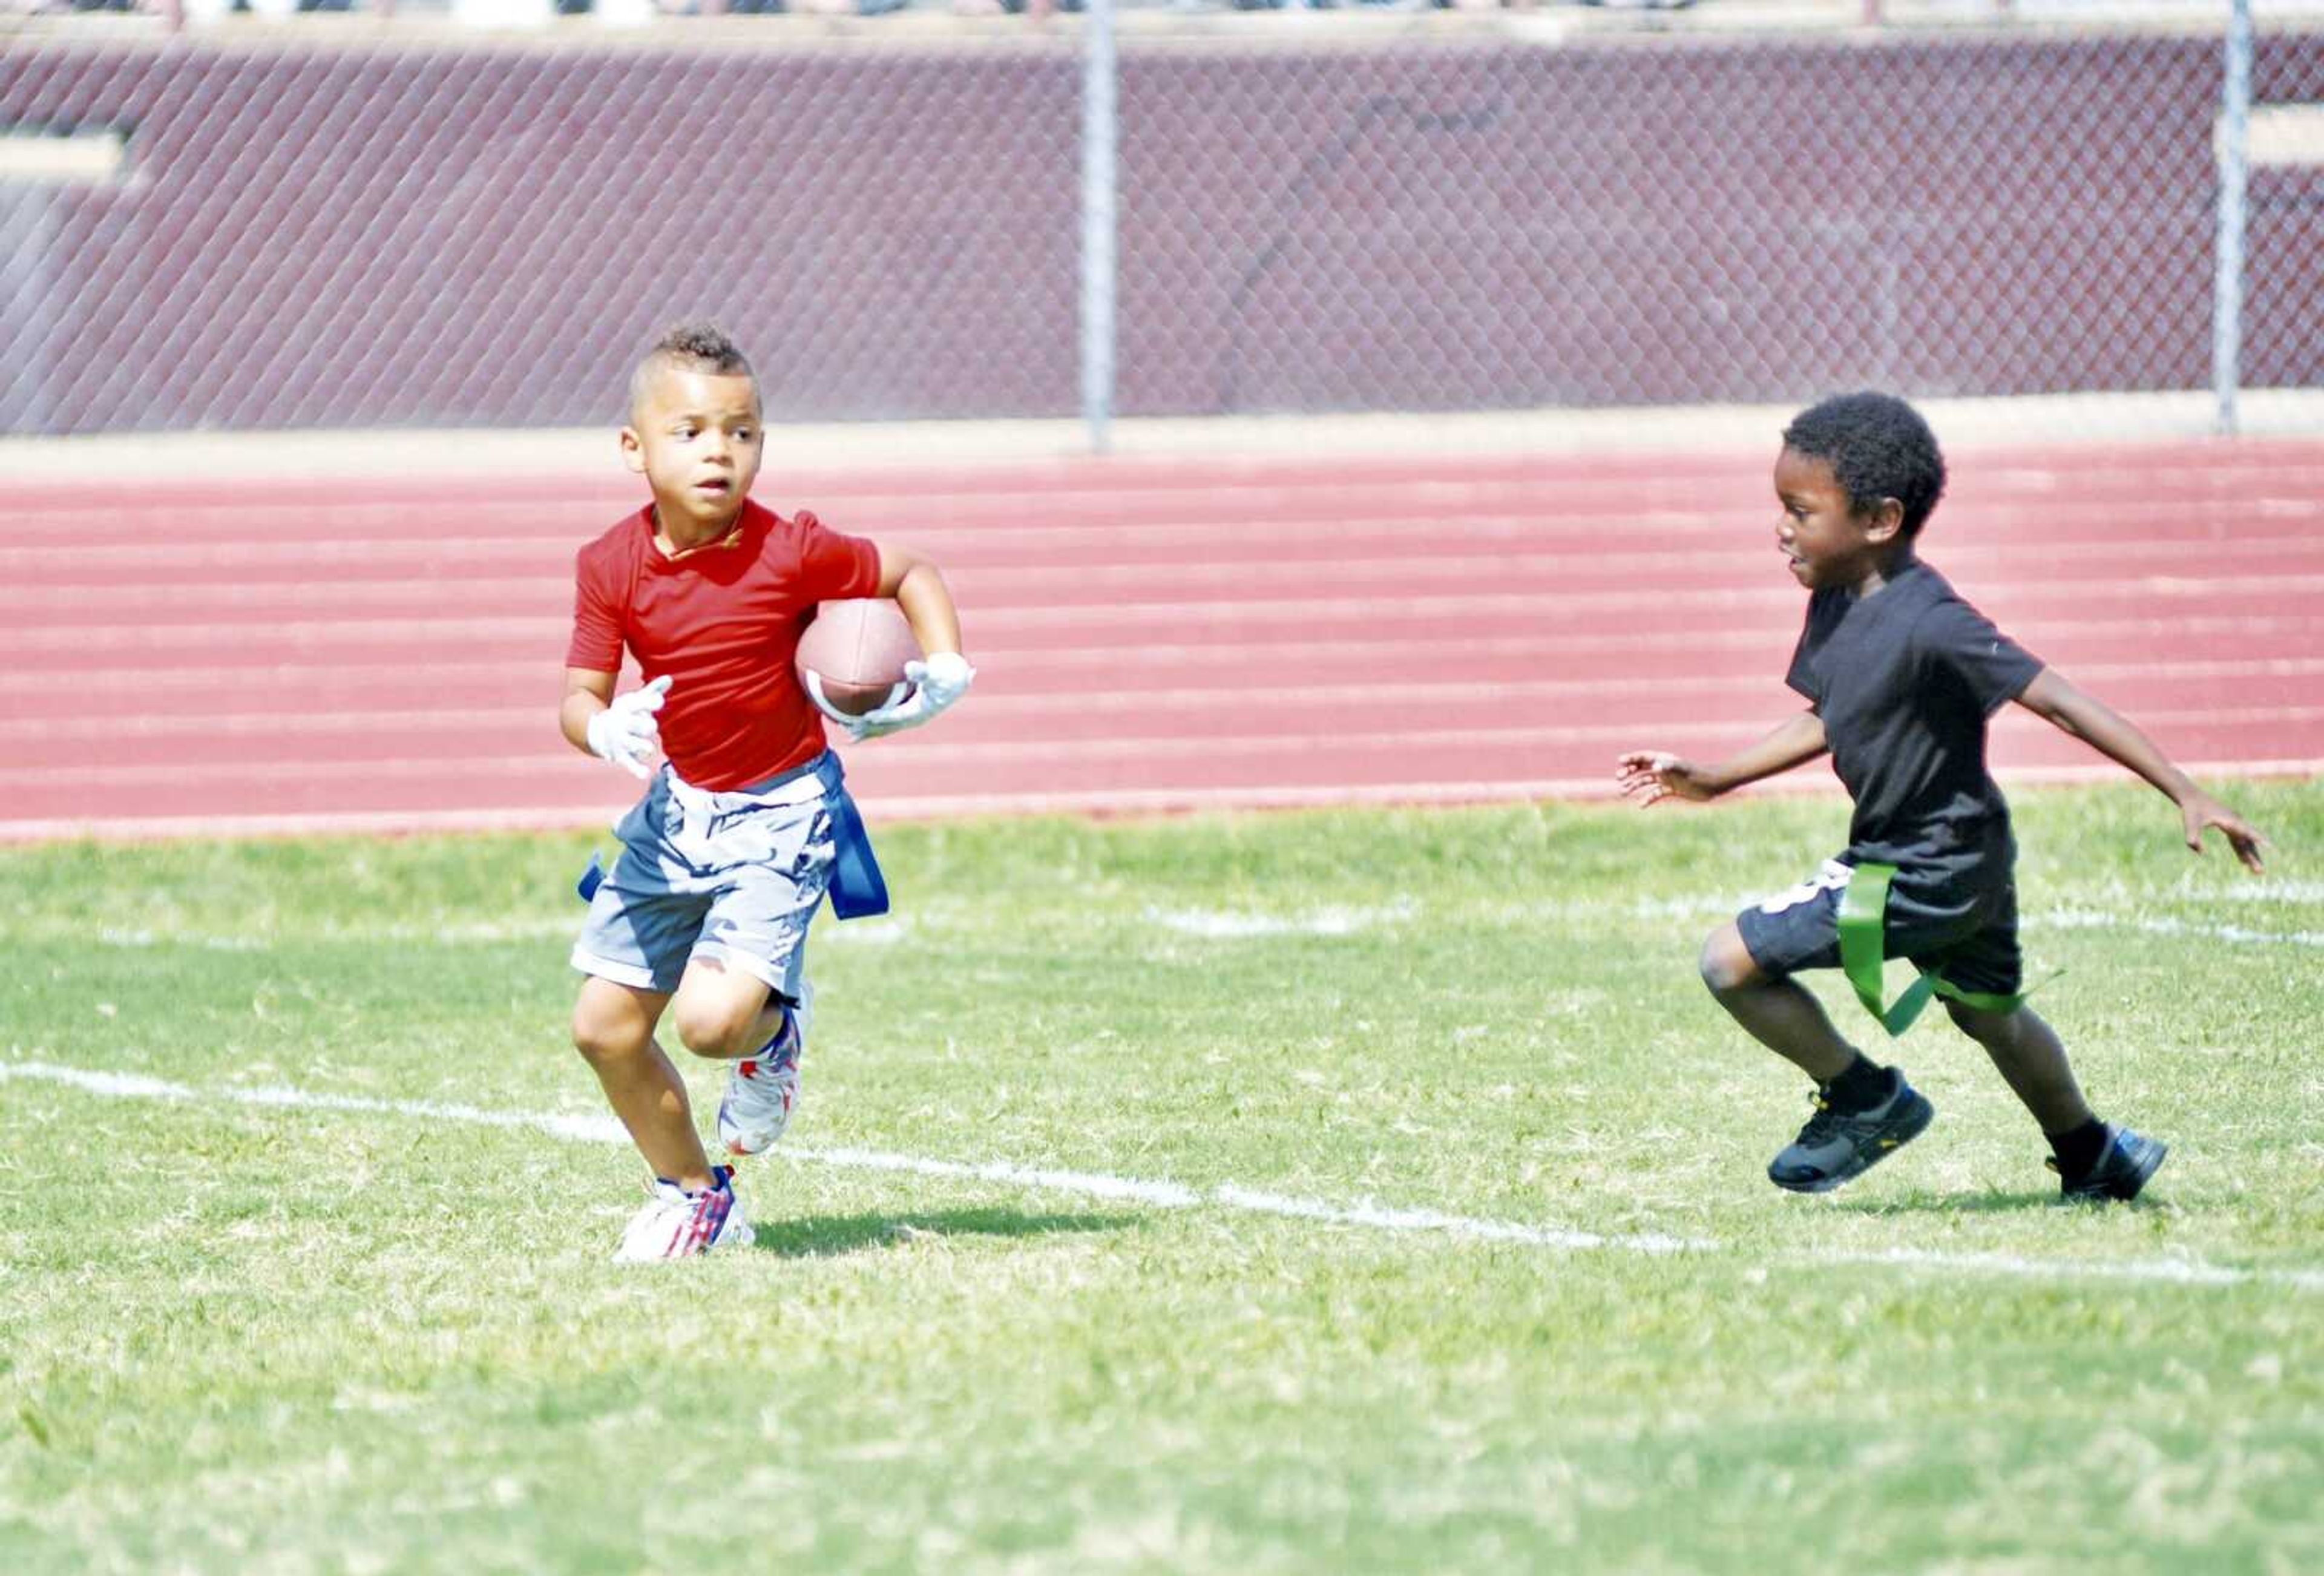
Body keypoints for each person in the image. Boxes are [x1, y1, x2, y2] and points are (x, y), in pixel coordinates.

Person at [1616, 392, 2267, 1203]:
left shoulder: (1935, 622)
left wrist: (2184, 789)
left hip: (1916, 866)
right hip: (1970, 860)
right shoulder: (1836, 594)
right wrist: (1717, 778)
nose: (1781, 527)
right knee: (1989, 1014)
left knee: (1729, 963)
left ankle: (1867, 1101)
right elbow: (1833, 713)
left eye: (1800, 510)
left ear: (1880, 521)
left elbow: (2057, 698)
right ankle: (2096, 1155)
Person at [562, 322, 974, 1261]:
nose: (720, 451)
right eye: (693, 431)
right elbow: (577, 698)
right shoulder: (607, 566)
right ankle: (697, 1198)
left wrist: (944, 667)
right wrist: (602, 729)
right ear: (635, 449)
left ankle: (773, 1029)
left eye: (742, 432)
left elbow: (912, 572)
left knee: (712, 1026)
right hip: (674, 816)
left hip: (783, 812)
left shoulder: (791, 550)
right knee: (604, 1027)